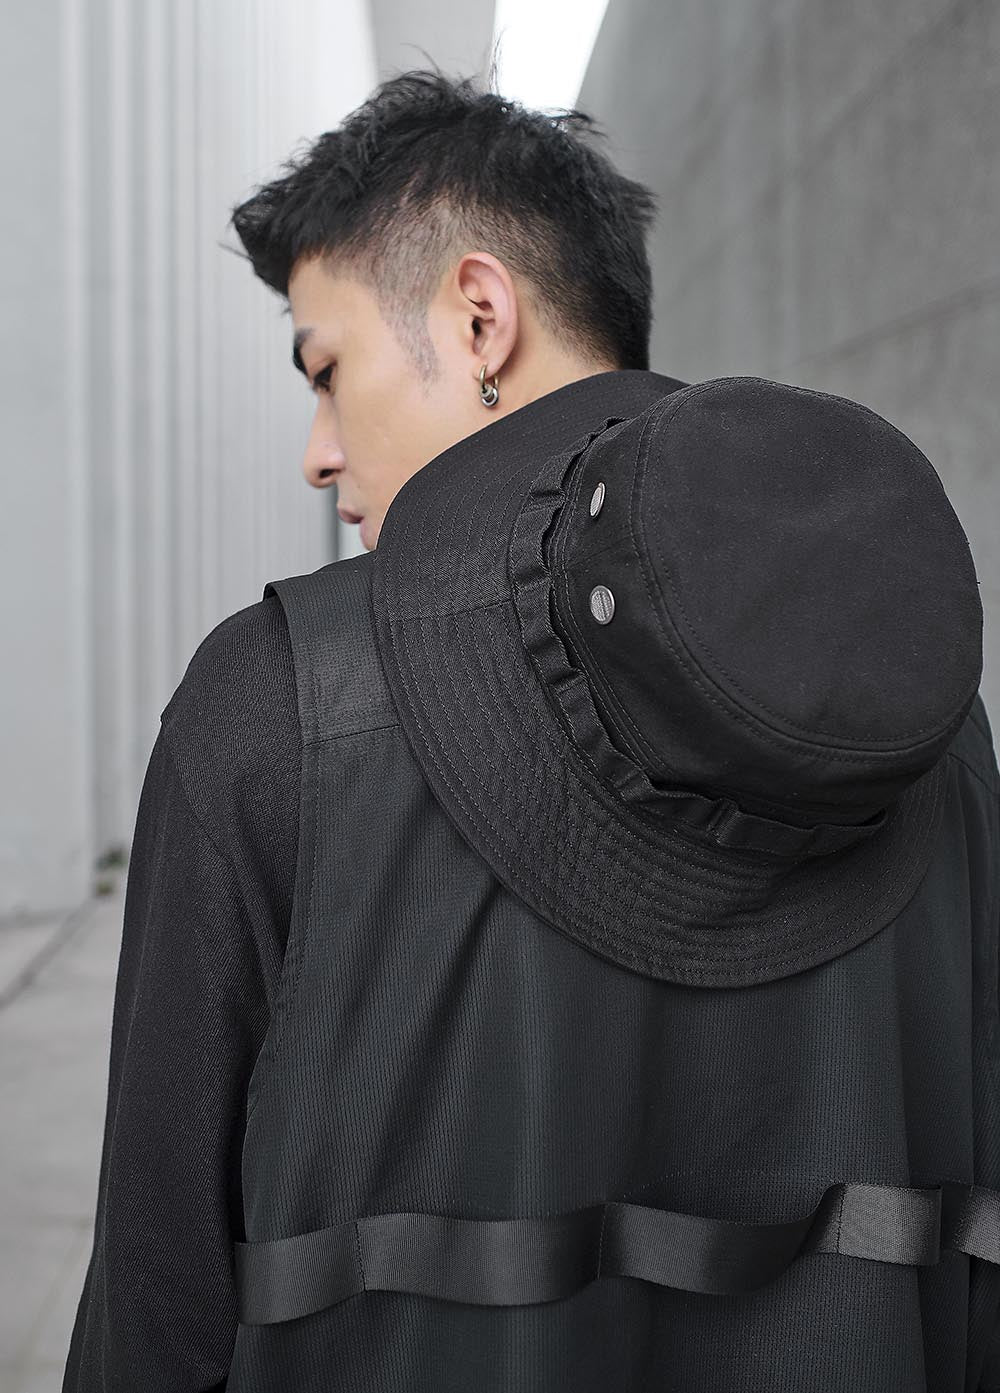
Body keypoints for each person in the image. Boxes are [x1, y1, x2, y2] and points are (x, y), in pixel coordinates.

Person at [62, 66, 1000, 1393]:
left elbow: (155, 1317)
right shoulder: (931, 723)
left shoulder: (279, 706)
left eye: (327, 371)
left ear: (480, 315)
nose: (317, 451)